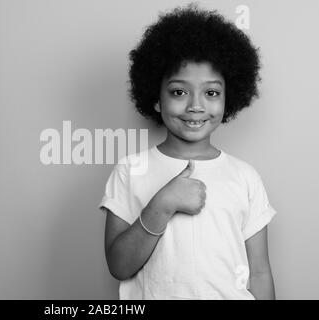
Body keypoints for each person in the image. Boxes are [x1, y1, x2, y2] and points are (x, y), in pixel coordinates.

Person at [98, 4, 277, 300]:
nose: (196, 105)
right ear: (156, 99)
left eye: (211, 93)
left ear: (228, 99)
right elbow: (119, 265)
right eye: (179, 92)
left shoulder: (245, 177)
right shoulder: (131, 170)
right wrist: (162, 205)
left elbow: (258, 272)